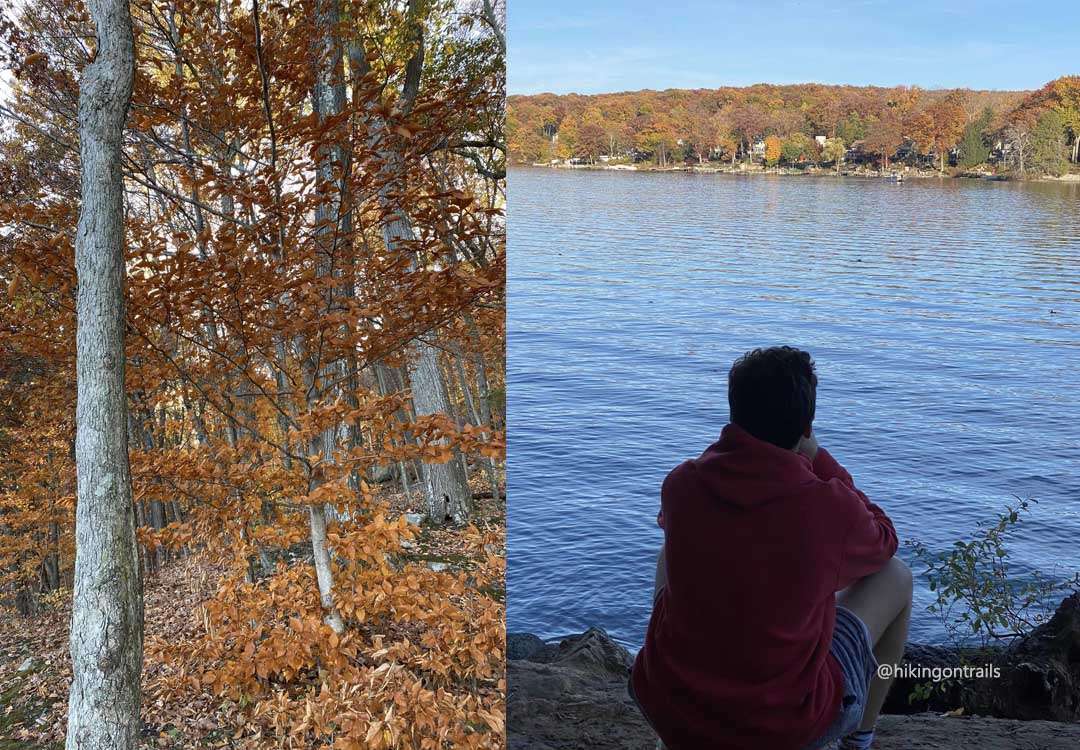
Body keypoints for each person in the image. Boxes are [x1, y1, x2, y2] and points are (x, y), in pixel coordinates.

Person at [629, 346, 912, 750]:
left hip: (671, 707)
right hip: (783, 726)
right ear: (807, 426)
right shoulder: (826, 504)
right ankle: (860, 739)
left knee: (672, 545)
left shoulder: (682, 484)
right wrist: (821, 461)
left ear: (733, 412)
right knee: (896, 575)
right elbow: (884, 539)